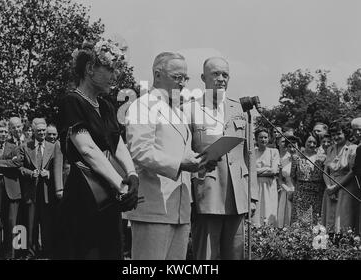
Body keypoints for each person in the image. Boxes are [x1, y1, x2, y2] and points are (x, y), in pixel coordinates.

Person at [125, 52, 213, 260]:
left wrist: (201, 161)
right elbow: (140, 151)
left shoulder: (178, 112)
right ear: (157, 74)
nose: (182, 83)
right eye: (177, 77)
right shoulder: (142, 105)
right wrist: (181, 164)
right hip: (154, 206)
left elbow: (181, 152)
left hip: (179, 209)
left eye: (185, 78)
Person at [56, 40, 140, 259]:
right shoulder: (71, 102)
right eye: (110, 69)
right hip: (83, 197)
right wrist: (121, 186)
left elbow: (117, 143)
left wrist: (131, 174)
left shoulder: (106, 106)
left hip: (109, 196)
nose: (115, 76)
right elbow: (88, 150)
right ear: (90, 68)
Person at [182, 56, 257, 260]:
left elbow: (249, 155)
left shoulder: (241, 110)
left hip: (237, 195)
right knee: (207, 256)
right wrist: (189, 198)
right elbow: (185, 154)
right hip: (206, 194)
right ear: (203, 78)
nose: (221, 79)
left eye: (225, 74)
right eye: (215, 74)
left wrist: (252, 195)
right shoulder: (189, 110)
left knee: (235, 253)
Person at [18, 118, 63, 259]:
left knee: (47, 223)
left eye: (44, 130)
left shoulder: (54, 146)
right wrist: (31, 173)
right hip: (31, 191)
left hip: (47, 191)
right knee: (31, 223)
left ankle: (47, 251)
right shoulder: (26, 146)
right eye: (39, 130)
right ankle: (31, 252)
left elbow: (59, 168)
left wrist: (49, 173)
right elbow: (19, 167)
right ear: (34, 132)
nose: (42, 133)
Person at [0, 121, 21, 259]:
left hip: (12, 190)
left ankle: (10, 255)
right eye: (0, 132)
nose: (3, 134)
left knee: (11, 223)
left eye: (5, 132)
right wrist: (8, 163)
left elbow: (18, 163)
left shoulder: (14, 147)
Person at [321, 122, 358, 233]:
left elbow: (352, 172)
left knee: (343, 221)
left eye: (338, 134)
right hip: (330, 188)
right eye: (333, 135)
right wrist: (329, 187)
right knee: (329, 223)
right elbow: (325, 171)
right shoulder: (330, 149)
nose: (335, 137)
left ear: (345, 133)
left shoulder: (353, 148)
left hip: (345, 188)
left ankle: (344, 246)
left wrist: (336, 188)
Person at [290, 133, 325, 225]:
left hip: (317, 195)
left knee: (315, 222)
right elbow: (292, 176)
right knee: (299, 223)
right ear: (304, 142)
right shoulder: (297, 157)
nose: (312, 145)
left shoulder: (322, 158)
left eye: (314, 142)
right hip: (301, 195)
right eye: (309, 142)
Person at [252, 128, 279, 227]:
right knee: (257, 213)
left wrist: (256, 171)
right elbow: (250, 171)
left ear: (269, 138)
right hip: (256, 186)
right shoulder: (252, 152)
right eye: (260, 137)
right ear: (256, 139)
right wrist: (267, 168)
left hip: (269, 186)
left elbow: (274, 170)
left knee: (269, 211)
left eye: (265, 137)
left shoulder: (274, 152)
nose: (263, 140)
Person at [277, 135, 298, 228]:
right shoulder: (283, 160)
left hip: (298, 190)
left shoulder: (302, 160)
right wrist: (287, 189)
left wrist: (294, 190)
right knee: (284, 216)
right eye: (289, 146)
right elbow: (280, 179)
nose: (292, 149)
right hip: (286, 191)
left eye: (294, 146)